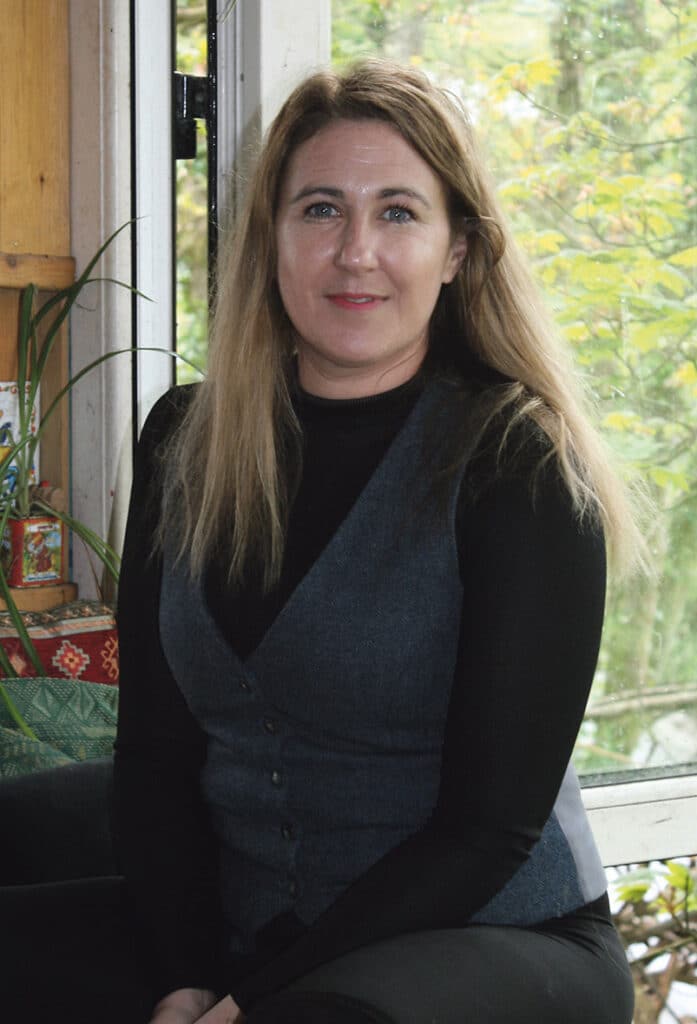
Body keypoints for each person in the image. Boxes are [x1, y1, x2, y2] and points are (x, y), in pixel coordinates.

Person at [114, 60, 641, 1024]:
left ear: (456, 251)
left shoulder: (516, 462)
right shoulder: (184, 437)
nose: (355, 251)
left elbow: (488, 831)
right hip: (250, 935)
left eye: (398, 212)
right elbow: (154, 753)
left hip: (492, 939)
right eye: (319, 209)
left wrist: (245, 1003)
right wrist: (182, 976)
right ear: (269, 240)